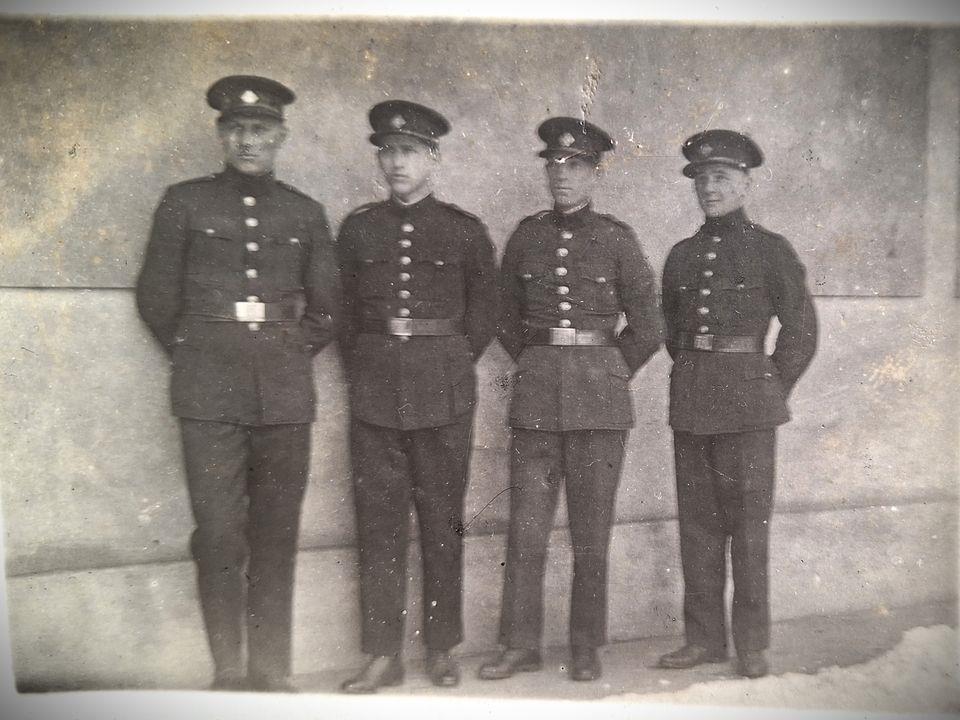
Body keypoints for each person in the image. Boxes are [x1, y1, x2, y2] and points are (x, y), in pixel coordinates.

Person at [135, 75, 339, 692]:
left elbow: (328, 307)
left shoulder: (305, 212)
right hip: (208, 395)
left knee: (276, 534)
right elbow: (155, 298)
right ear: (222, 136)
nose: (248, 140)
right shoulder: (184, 203)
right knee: (219, 533)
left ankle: (270, 671)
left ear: (281, 137)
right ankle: (227, 671)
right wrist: (198, 353)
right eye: (237, 129)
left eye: (261, 130)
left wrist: (288, 349)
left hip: (284, 395)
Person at [479, 117, 663, 682]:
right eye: (554, 164)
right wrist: (537, 359)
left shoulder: (617, 239)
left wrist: (610, 368)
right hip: (537, 398)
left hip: (599, 403)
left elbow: (650, 324)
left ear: (595, 173)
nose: (562, 175)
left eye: (576, 165)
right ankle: (520, 644)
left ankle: (585, 645)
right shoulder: (526, 236)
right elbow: (502, 315)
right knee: (526, 529)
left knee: (591, 532)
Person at [336, 100, 497, 693]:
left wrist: (447, 363)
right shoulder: (358, 229)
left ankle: (441, 647)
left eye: (409, 151)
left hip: (443, 394)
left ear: (433, 158)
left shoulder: (464, 230)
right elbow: (342, 314)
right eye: (388, 151)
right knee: (377, 525)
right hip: (375, 395)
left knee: (442, 522)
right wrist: (370, 365)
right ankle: (382, 654)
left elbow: (485, 315)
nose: (397, 162)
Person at [657, 129, 818, 679]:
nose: (710, 187)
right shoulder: (681, 256)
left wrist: (767, 386)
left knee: (748, 528)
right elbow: (674, 332)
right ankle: (703, 640)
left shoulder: (771, 250)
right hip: (693, 401)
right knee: (697, 527)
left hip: (749, 407)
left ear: (746, 184)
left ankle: (751, 645)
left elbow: (800, 331)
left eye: (721, 177)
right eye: (702, 178)